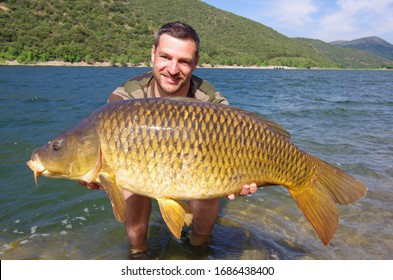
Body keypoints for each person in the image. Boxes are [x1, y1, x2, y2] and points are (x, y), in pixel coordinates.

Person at [83, 22, 257, 256]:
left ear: (195, 63)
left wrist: (243, 176)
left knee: (209, 187)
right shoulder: (125, 97)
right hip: (145, 164)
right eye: (165, 57)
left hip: (194, 164)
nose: (173, 69)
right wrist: (92, 173)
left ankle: (199, 246)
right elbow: (103, 148)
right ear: (153, 53)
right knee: (129, 185)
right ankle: (138, 252)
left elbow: (236, 144)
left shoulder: (211, 100)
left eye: (184, 61)